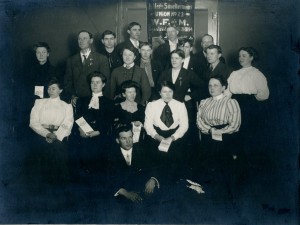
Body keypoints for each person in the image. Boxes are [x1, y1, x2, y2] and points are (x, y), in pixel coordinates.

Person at [29, 77, 74, 185]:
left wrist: (56, 136)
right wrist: (47, 133)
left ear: (60, 90)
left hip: (58, 136)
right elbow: (33, 122)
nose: (50, 91)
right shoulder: (39, 102)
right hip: (40, 134)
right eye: (48, 88)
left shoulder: (67, 106)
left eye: (53, 88)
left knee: (59, 158)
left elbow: (68, 124)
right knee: (39, 159)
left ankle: (59, 187)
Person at [225, 47, 269, 143]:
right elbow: (227, 92)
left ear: (251, 57)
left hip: (249, 106)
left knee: (248, 132)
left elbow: (264, 95)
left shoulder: (257, 74)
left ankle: (246, 155)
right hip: (234, 104)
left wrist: (251, 100)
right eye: (239, 56)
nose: (241, 58)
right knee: (234, 130)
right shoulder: (234, 74)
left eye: (244, 56)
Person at [74, 71, 114, 174]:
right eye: (92, 82)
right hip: (83, 134)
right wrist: (81, 129)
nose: (95, 85)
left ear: (103, 84)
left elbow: (108, 121)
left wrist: (98, 132)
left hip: (100, 135)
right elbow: (78, 117)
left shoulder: (109, 102)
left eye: (98, 82)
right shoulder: (82, 101)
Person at [108, 124, 159, 203]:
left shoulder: (142, 150)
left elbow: (154, 166)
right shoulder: (110, 155)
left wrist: (153, 179)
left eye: (130, 137)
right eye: (123, 138)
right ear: (117, 140)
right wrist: (126, 193)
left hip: (143, 191)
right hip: (122, 195)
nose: (128, 141)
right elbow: (108, 179)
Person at [144, 81, 189, 169]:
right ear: (159, 93)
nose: (168, 94)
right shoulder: (152, 105)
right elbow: (148, 125)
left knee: (176, 163)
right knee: (157, 164)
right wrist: (157, 137)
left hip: (175, 137)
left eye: (170, 91)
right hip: (157, 136)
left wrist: (172, 138)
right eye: (164, 92)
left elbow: (184, 125)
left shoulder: (180, 105)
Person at [64, 30, 110, 106]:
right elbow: (68, 82)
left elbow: (106, 82)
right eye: (79, 39)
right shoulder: (71, 60)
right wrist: (72, 96)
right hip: (77, 101)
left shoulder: (101, 59)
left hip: (95, 101)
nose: (81, 41)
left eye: (84, 38)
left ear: (91, 40)